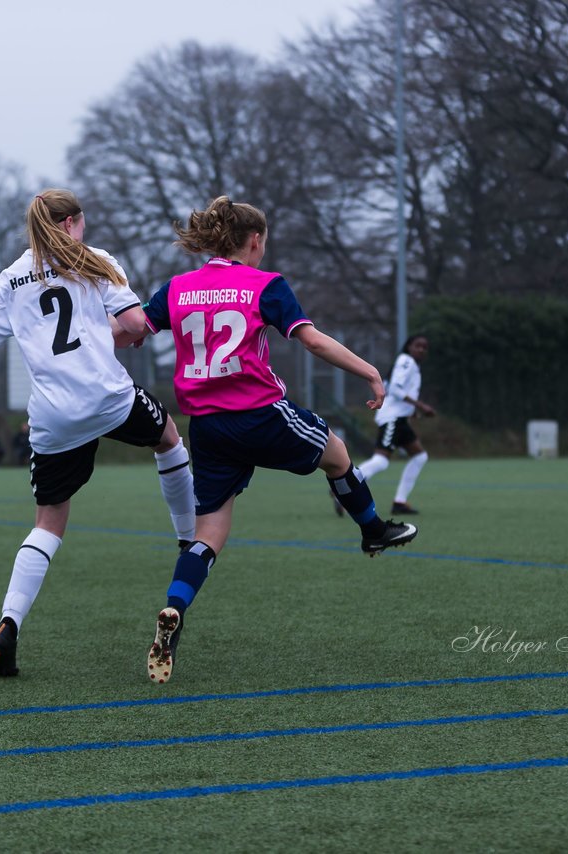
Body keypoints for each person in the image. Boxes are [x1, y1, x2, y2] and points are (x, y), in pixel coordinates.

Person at [130, 196, 417, 684]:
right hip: (260, 414)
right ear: (255, 240)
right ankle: (372, 529)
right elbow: (312, 340)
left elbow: (131, 329)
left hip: (208, 427)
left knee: (209, 536)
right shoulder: (266, 285)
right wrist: (370, 371)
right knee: (338, 455)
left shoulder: (176, 289)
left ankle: (175, 609)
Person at [0, 188, 197, 679]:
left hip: (53, 416)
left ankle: (8, 625)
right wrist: (121, 334)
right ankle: (188, 543)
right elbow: (137, 323)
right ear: (72, 222)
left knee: (49, 520)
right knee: (169, 440)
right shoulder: (94, 261)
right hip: (108, 398)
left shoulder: (10, 279)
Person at [352, 334, 436, 515]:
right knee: (381, 461)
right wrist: (421, 406)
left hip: (399, 419)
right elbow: (395, 390)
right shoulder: (406, 361)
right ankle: (347, 484)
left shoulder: (412, 365)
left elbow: (398, 390)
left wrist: (413, 411)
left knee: (420, 456)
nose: (421, 349)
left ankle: (399, 502)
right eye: (417, 345)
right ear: (409, 347)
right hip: (392, 418)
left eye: (425, 347)